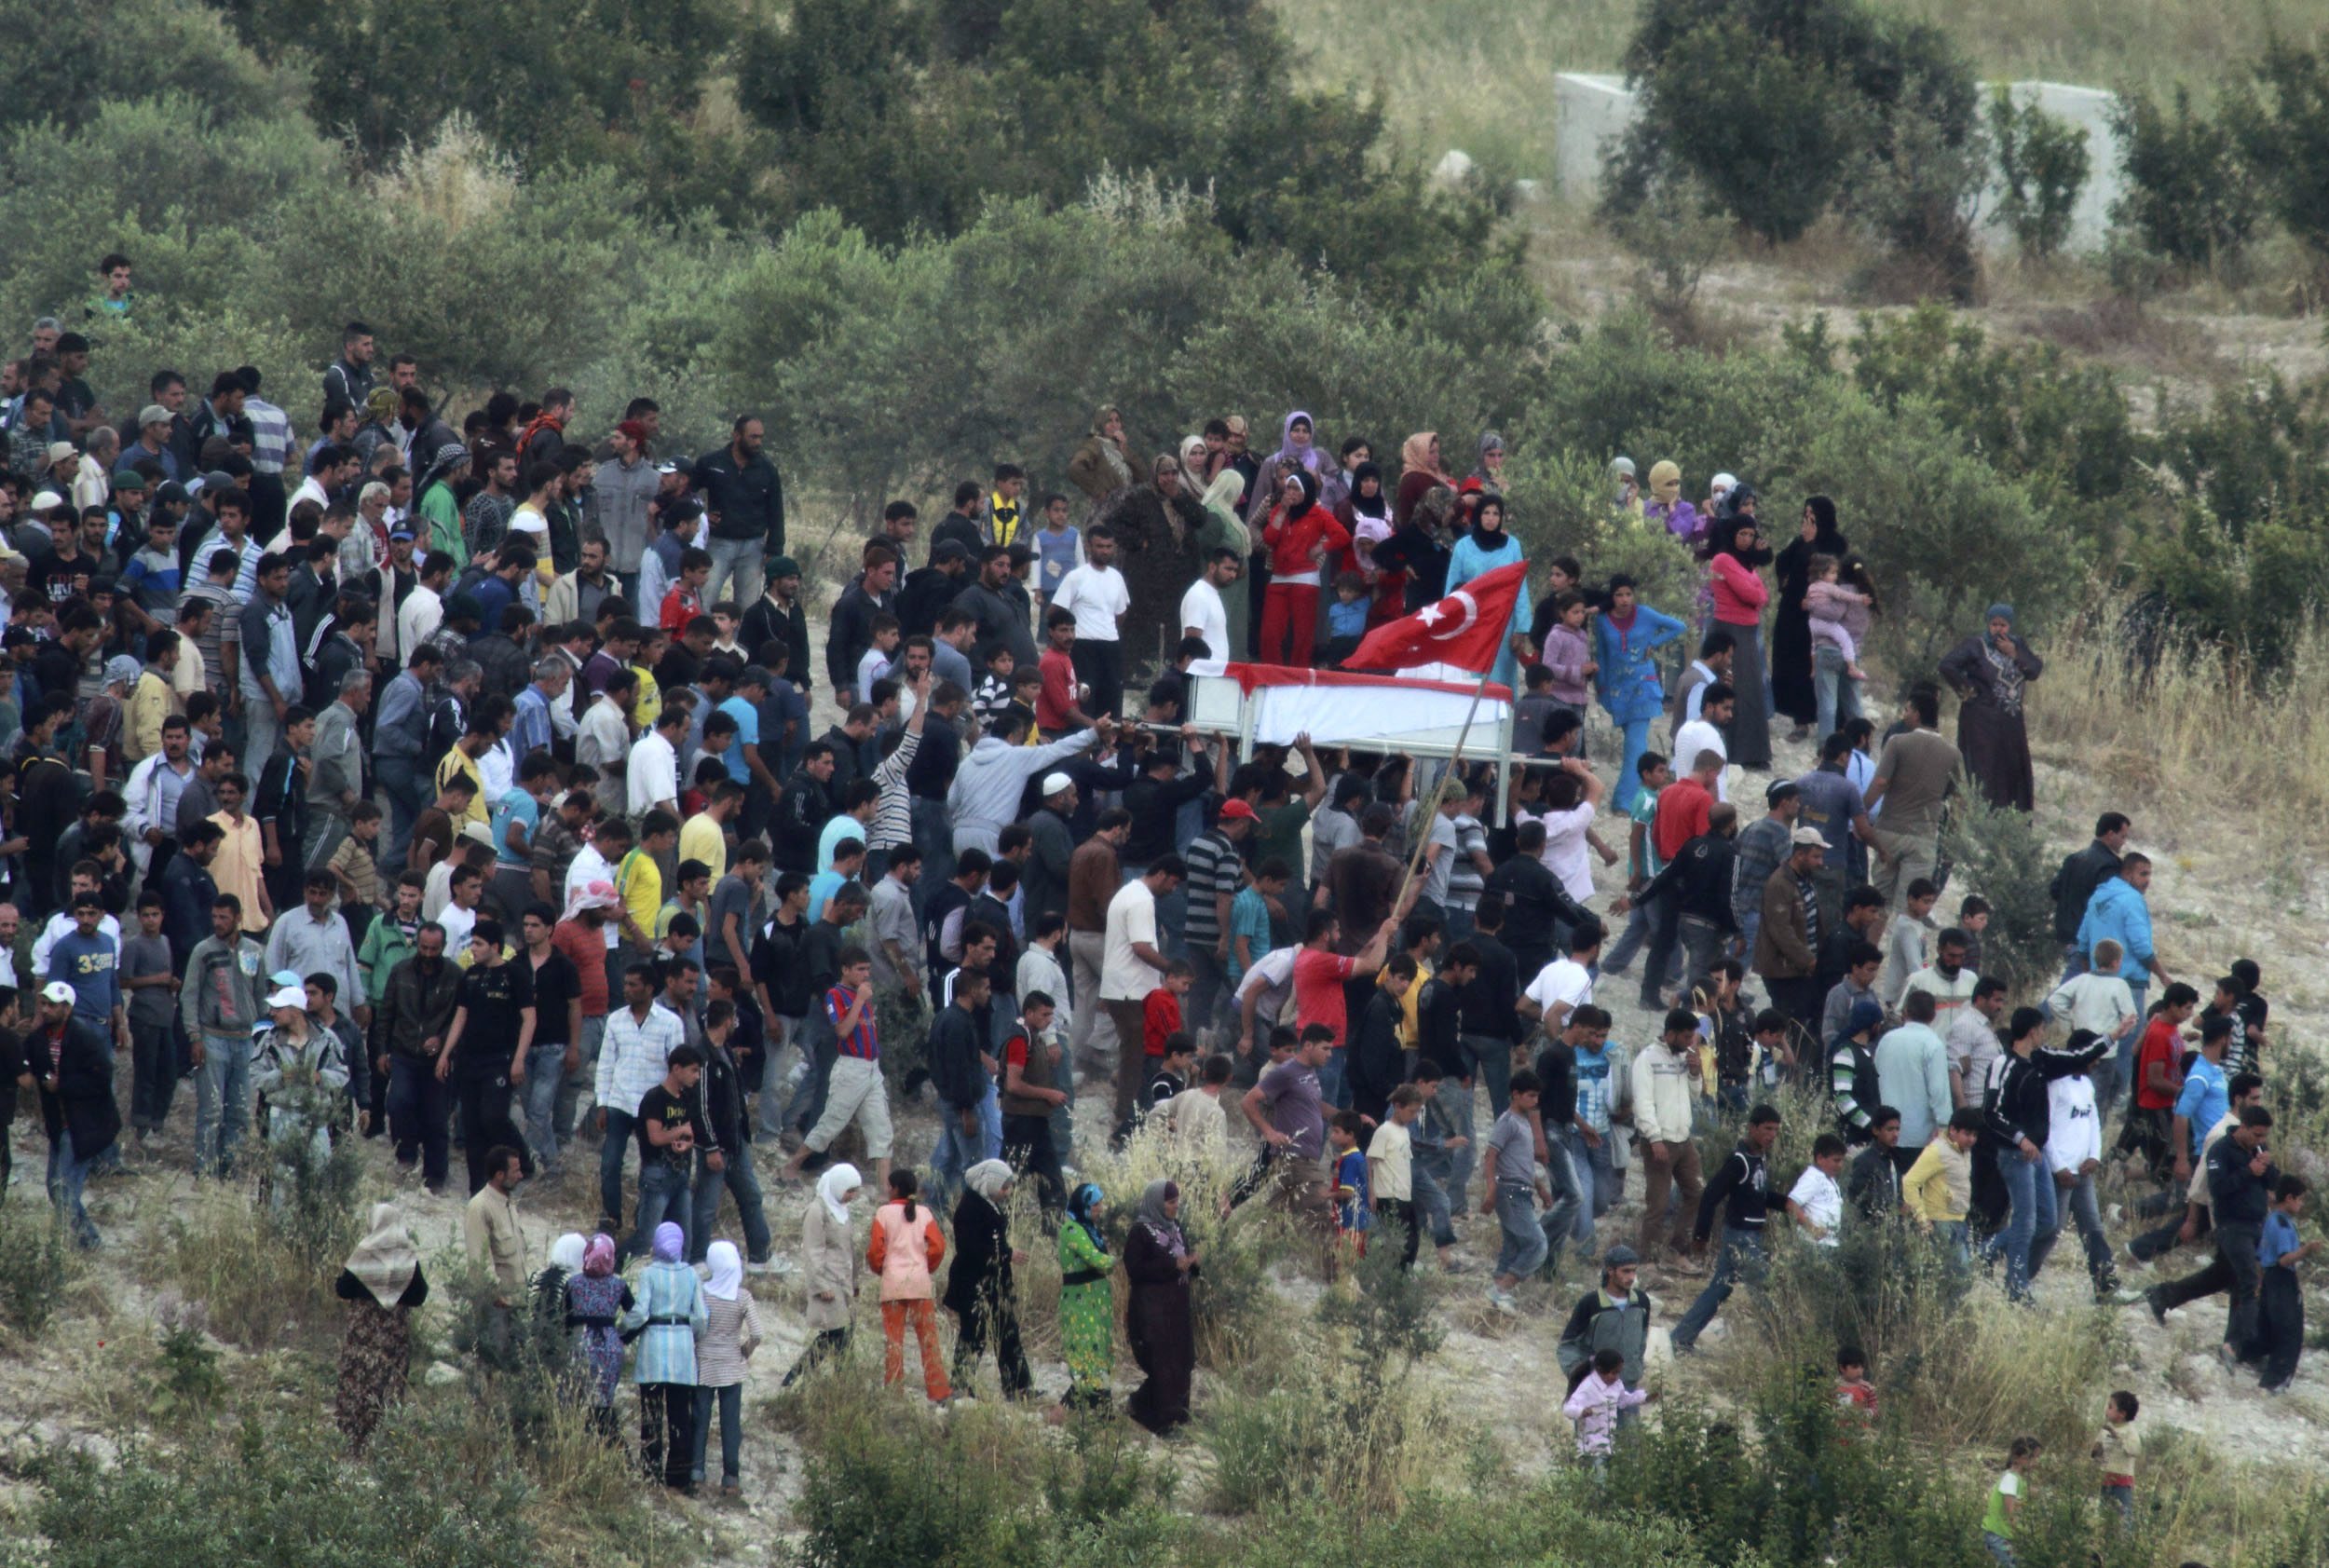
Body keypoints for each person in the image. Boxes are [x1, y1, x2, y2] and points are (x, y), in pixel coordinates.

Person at [1985, 1009, 2107, 1303]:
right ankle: (2016, 1288)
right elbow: (1991, 1112)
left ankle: (1988, 1251)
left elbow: (2078, 1058)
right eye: (2041, 1029)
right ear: (2032, 1031)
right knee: (2027, 1222)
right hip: (2015, 1154)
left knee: (2048, 1221)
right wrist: (2020, 1138)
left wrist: (2113, 1035)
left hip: (2035, 1154)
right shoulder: (2003, 1063)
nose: (2044, 1035)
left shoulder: (2040, 1062)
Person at [1670, 1104, 1781, 1353]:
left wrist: (1790, 1205)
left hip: (1748, 1234)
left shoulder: (1759, 1157)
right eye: (1767, 1129)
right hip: (1741, 1237)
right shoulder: (1739, 1161)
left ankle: (1680, 1339)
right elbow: (1710, 1195)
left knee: (1718, 1289)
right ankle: (1784, 1347)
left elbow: (1760, 1195)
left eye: (1775, 1130)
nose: (1771, 1135)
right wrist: (1701, 1235)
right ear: (1752, 1128)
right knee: (1765, 1291)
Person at [26, 981, 118, 1248]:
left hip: (84, 1124)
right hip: (58, 1123)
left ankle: (80, 1244)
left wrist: (62, 1085)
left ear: (67, 1008)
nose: (45, 1009)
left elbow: (101, 1080)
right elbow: (32, 1069)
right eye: (43, 1003)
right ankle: (86, 1240)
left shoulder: (85, 1038)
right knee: (56, 1188)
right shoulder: (37, 1040)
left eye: (52, 1005)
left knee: (64, 1188)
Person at [334, 1202, 428, 1455]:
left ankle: (352, 1446)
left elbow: (343, 1289)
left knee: (356, 1390)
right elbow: (420, 1296)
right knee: (387, 1391)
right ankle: (381, 1449)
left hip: (361, 1341)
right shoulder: (408, 1258)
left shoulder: (365, 1252)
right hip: (393, 1341)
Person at [621, 1220, 708, 1490]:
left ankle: (650, 1470)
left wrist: (622, 1330)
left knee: (651, 1412)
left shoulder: (648, 1274)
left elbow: (640, 1312)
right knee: (680, 1413)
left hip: (653, 1346)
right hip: (681, 1345)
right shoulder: (691, 1274)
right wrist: (692, 1334)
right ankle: (679, 1475)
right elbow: (702, 1316)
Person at [1591, 575, 1686, 813]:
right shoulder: (1602, 621)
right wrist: (1601, 688)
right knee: (1635, 745)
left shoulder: (1645, 614)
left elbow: (1679, 626)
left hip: (1643, 688)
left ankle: (1623, 801)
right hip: (1616, 691)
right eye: (1619, 595)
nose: (1624, 600)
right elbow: (1601, 655)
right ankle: (1643, 794)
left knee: (1635, 745)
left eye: (1628, 594)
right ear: (1611, 597)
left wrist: (1654, 642)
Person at [1939, 605, 2043, 811]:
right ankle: (1982, 816)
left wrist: (2014, 653)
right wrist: (1968, 692)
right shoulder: (1975, 646)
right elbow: (1947, 665)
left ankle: (2011, 819)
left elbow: (2034, 670)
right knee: (1984, 768)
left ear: (2009, 626)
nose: (1998, 629)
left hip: (2011, 722)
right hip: (1981, 720)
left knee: (2012, 768)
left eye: (2003, 625)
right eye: (1994, 624)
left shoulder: (2017, 644)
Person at [945, 1159, 1033, 1398]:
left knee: (1007, 1333)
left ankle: (1019, 1386)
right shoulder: (970, 1209)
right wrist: (1007, 1254)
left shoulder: (987, 1204)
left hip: (994, 1283)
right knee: (973, 1335)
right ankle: (961, 1385)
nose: (1007, 1193)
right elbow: (971, 1248)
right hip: (974, 1284)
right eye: (1004, 1187)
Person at [868, 1168, 951, 1404]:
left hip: (893, 1284)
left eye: (888, 1186)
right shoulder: (924, 1213)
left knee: (894, 1341)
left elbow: (875, 1251)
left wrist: (881, 1269)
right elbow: (938, 1247)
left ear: (894, 1189)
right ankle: (939, 1392)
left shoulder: (883, 1213)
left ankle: (895, 1392)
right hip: (920, 1284)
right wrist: (927, 1267)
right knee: (928, 1340)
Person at [1124, 1178, 1199, 1433]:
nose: (1176, 1207)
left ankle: (1179, 1415)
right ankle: (1155, 1418)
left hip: (1177, 1308)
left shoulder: (1175, 1227)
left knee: (1183, 1360)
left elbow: (1183, 1262)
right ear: (1158, 1203)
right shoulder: (1141, 1232)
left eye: (1177, 1201)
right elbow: (1135, 1269)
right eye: (1171, 1202)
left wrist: (1192, 1264)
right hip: (1152, 1310)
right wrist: (1172, 1265)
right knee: (1162, 1363)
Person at [690, 1240, 761, 1498]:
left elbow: (694, 1323)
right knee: (731, 1424)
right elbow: (758, 1333)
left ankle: (696, 1472)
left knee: (699, 1420)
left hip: (704, 1364)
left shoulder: (701, 1292)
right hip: (732, 1367)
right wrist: (745, 1350)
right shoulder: (742, 1297)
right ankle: (731, 1478)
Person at [1632, 1010, 1704, 1263]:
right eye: (1686, 1037)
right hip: (1659, 1143)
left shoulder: (1684, 1058)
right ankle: (1644, 1258)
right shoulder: (1647, 1060)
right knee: (1658, 1205)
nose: (1689, 1043)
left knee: (1696, 1193)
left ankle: (1677, 1247)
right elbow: (1643, 1103)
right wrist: (1654, 1139)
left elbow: (1694, 1096)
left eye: (1691, 1037)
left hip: (1683, 1140)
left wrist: (1695, 1074)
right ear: (1670, 1033)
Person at [1481, 1070, 1553, 1316]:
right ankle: (1501, 1289)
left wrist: (1541, 1189)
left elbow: (1522, 1162)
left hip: (1522, 1190)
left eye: (1537, 1097)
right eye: (1531, 1096)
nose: (1535, 1101)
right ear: (1516, 1094)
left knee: (1512, 1247)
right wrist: (1491, 1190)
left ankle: (1493, 1301)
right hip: (1510, 1191)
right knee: (1537, 1244)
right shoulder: (1508, 1122)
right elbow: (1491, 1156)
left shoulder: (1523, 1122)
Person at [783, 1164, 862, 1387]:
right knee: (836, 1333)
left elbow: (848, 1248)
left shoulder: (842, 1211)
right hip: (828, 1281)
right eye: (850, 1191)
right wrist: (820, 1285)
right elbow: (813, 1250)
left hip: (843, 1280)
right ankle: (798, 1378)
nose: (852, 1196)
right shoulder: (817, 1211)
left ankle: (840, 1383)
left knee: (843, 1333)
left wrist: (854, 1281)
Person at [1557, 1244, 1655, 1401]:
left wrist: (1636, 1368)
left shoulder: (1641, 1302)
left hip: (1627, 1385)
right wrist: (1578, 1373)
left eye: (1634, 1271)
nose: (1631, 1277)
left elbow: (1641, 1340)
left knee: (1629, 1427)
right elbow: (1567, 1345)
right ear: (1610, 1271)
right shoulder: (1591, 1303)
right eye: (1626, 1271)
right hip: (1594, 1387)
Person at [2254, 1175, 2318, 1394]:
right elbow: (2283, 1259)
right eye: (2300, 1200)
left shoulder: (2272, 1219)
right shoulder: (2281, 1224)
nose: (2301, 1205)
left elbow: (2261, 1257)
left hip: (2271, 1279)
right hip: (2282, 1279)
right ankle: (2277, 1379)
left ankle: (2253, 1358)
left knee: (2269, 1325)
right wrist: (2306, 1250)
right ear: (2289, 1198)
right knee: (2290, 1330)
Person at [1057, 1181, 1116, 1413]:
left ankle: (1099, 1409)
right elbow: (1096, 1259)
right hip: (1081, 1300)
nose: (1099, 1208)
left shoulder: (1090, 1230)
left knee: (1099, 1351)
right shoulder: (1072, 1230)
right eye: (1095, 1204)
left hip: (1097, 1301)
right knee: (1087, 1352)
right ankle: (1070, 1410)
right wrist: (1115, 1261)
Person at [1563, 1346, 1651, 1466]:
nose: (1616, 1377)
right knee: (1599, 1481)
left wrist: (1644, 1398)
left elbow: (1624, 1399)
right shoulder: (1588, 1387)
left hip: (1610, 1444)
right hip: (1592, 1448)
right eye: (1614, 1373)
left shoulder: (1616, 1385)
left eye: (1618, 1373)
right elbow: (1568, 1408)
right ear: (1600, 1370)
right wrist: (1581, 1412)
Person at [1982, 1438, 2040, 1565]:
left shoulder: (2017, 1479)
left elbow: (2025, 1492)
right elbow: (2010, 1510)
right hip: (1999, 1536)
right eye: (2034, 1458)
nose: (2037, 1462)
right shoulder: (2010, 1479)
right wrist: (2023, 1534)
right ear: (2022, 1458)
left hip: (2005, 1535)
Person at [2092, 1391, 2142, 1525]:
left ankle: (2123, 1541)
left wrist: (2117, 1437)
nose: (2106, 1410)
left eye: (2110, 1407)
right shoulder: (2106, 1428)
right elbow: (2098, 1447)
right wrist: (2096, 1452)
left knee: (2123, 1515)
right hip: (2106, 1477)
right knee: (2103, 1512)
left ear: (2122, 1414)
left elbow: (2135, 1450)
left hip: (2122, 1481)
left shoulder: (2130, 1431)